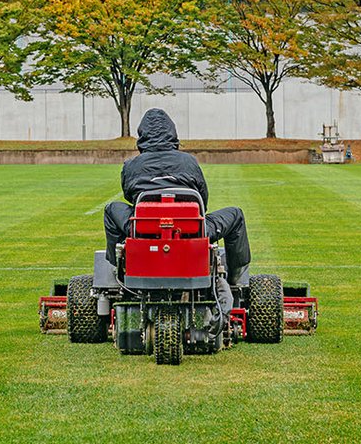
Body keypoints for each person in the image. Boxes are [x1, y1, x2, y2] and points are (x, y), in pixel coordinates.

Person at [103, 109, 251, 326]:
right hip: (192, 230)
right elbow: (203, 199)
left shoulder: (131, 166)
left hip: (143, 229)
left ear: (142, 136)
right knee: (235, 215)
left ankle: (119, 267)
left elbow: (129, 196)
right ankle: (235, 278)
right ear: (173, 133)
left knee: (111, 209)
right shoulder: (188, 162)